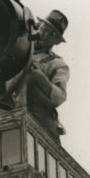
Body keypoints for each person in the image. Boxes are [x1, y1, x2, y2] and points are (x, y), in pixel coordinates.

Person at [25, 9, 70, 141]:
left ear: (56, 41)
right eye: (44, 29)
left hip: (38, 121)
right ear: (38, 26)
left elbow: (60, 96)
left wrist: (39, 77)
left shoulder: (58, 64)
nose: (43, 34)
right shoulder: (20, 47)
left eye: (51, 34)